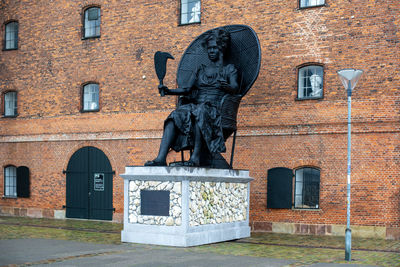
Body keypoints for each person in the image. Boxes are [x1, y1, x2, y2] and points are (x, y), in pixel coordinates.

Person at [145, 29, 239, 167]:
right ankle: (161, 158)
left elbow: (236, 88)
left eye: (214, 48)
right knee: (175, 115)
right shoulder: (200, 69)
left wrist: (227, 87)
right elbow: (186, 89)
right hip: (197, 106)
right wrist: (169, 91)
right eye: (209, 48)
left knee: (200, 112)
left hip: (215, 110)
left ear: (222, 48)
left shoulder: (229, 69)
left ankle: (195, 158)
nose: (211, 51)